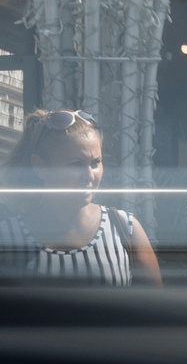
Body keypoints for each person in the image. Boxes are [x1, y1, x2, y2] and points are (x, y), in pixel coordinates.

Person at [0, 110, 160, 285]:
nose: (89, 175)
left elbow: (155, 307)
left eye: (95, 163)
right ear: (40, 167)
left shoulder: (125, 229)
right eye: (76, 164)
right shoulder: (7, 238)